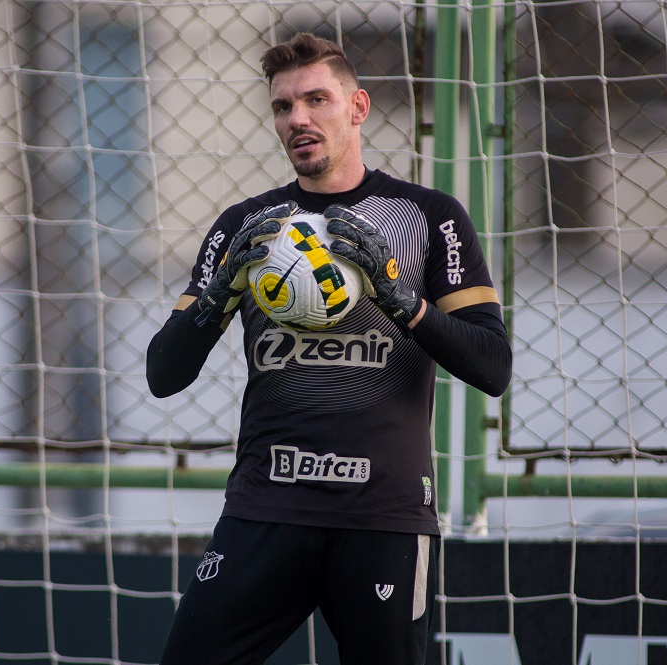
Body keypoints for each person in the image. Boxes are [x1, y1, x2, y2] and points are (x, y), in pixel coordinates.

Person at [146, 32, 511, 665]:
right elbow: (163, 373)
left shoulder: (428, 217)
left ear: (358, 107)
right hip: (266, 508)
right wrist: (219, 295)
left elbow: (492, 366)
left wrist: (403, 300)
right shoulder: (247, 227)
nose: (299, 119)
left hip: (384, 520)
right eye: (284, 107)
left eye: (317, 99)